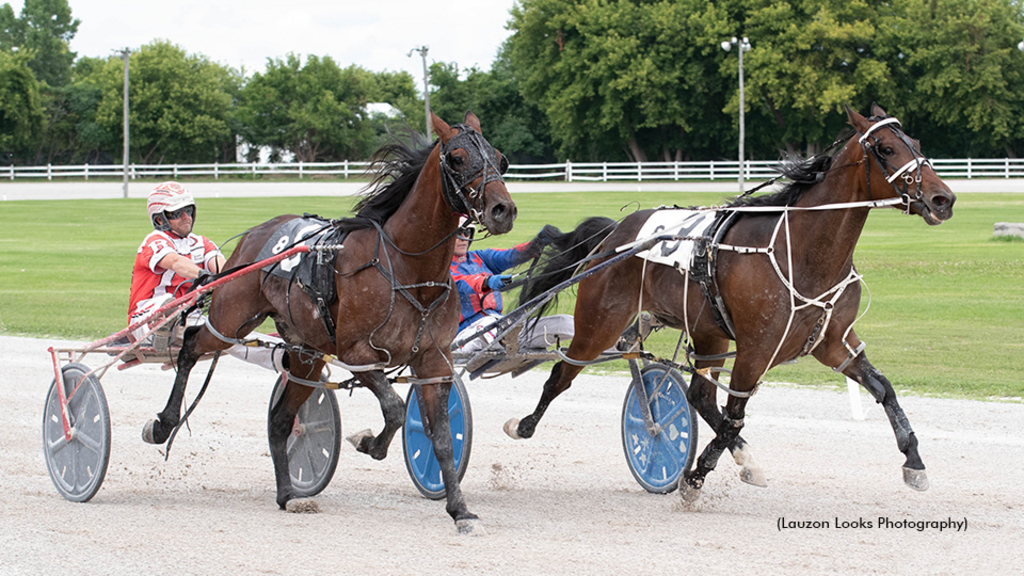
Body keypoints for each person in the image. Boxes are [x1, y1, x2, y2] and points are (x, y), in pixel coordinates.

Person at [128, 181, 286, 372]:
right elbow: (176, 263)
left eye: (188, 210)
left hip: (191, 318)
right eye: (177, 213)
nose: (186, 217)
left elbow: (223, 267)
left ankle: (282, 358)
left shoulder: (201, 243)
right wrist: (204, 276)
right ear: (160, 220)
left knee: (224, 332)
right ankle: (162, 330)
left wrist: (232, 279)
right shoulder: (154, 242)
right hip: (146, 316)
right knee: (167, 305)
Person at [450, 223, 574, 353]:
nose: (463, 238)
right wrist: (487, 281)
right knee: (489, 327)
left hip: (502, 327)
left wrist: (536, 244)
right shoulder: (438, 269)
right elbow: (459, 283)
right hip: (467, 335)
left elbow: (511, 256)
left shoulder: (480, 257)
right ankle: (503, 340)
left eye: (466, 233)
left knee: (566, 324)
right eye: (457, 233)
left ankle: (507, 341)